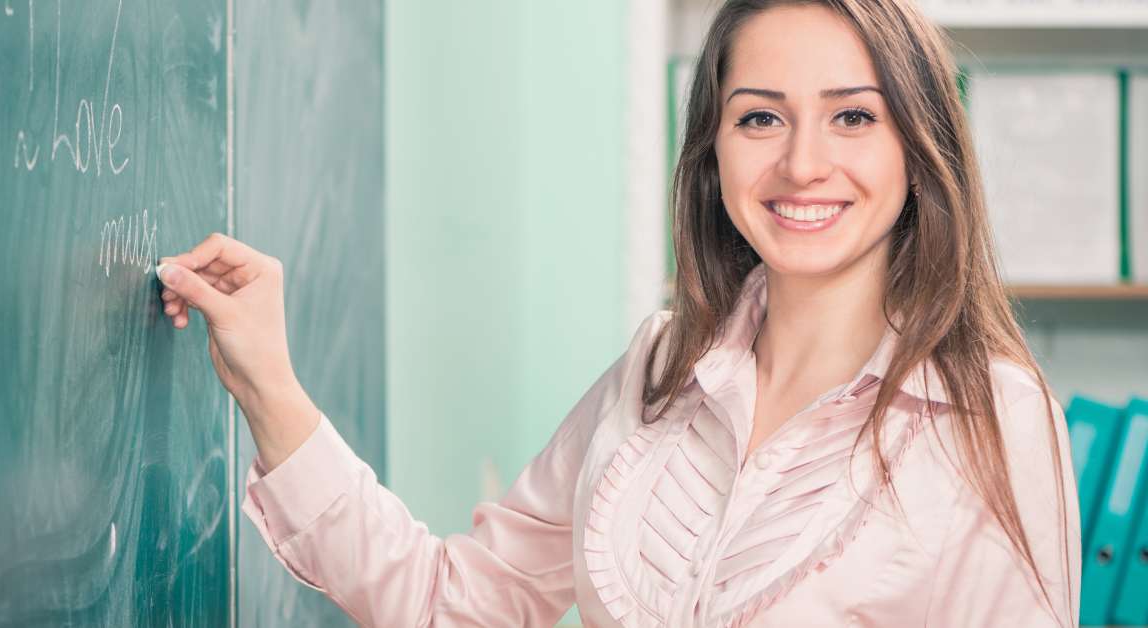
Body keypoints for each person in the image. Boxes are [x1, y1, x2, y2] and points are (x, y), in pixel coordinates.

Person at [156, 0, 1079, 625]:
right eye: (760, 118)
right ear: (712, 153)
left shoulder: (992, 418)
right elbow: (455, 604)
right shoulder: (657, 368)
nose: (802, 165)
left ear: (919, 147)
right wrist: (269, 386)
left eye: (852, 117)